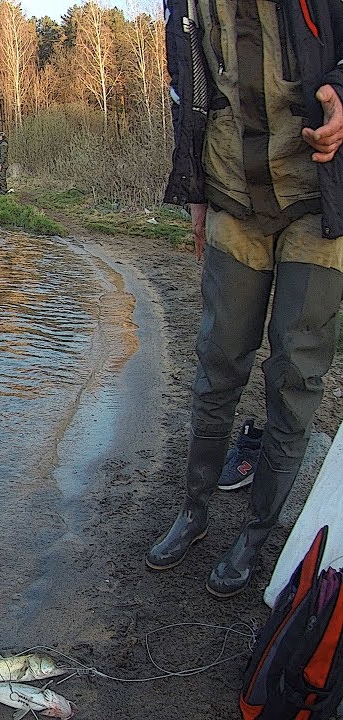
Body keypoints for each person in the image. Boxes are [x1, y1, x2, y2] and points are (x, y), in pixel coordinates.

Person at [148, 0, 343, 598]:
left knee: (294, 373)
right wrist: (194, 188)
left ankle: (258, 534)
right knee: (217, 363)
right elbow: (188, 82)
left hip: (319, 192)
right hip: (232, 183)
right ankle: (195, 510)